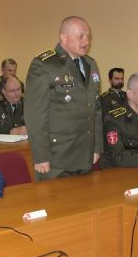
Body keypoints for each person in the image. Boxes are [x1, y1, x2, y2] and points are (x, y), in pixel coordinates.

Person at [25, 15, 103, 180]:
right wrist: (41, 156)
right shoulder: (45, 64)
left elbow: (95, 108)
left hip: (85, 153)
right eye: (80, 36)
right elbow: (35, 114)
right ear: (64, 38)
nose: (86, 41)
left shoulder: (91, 64)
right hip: (57, 157)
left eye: (88, 36)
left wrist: (96, 147)